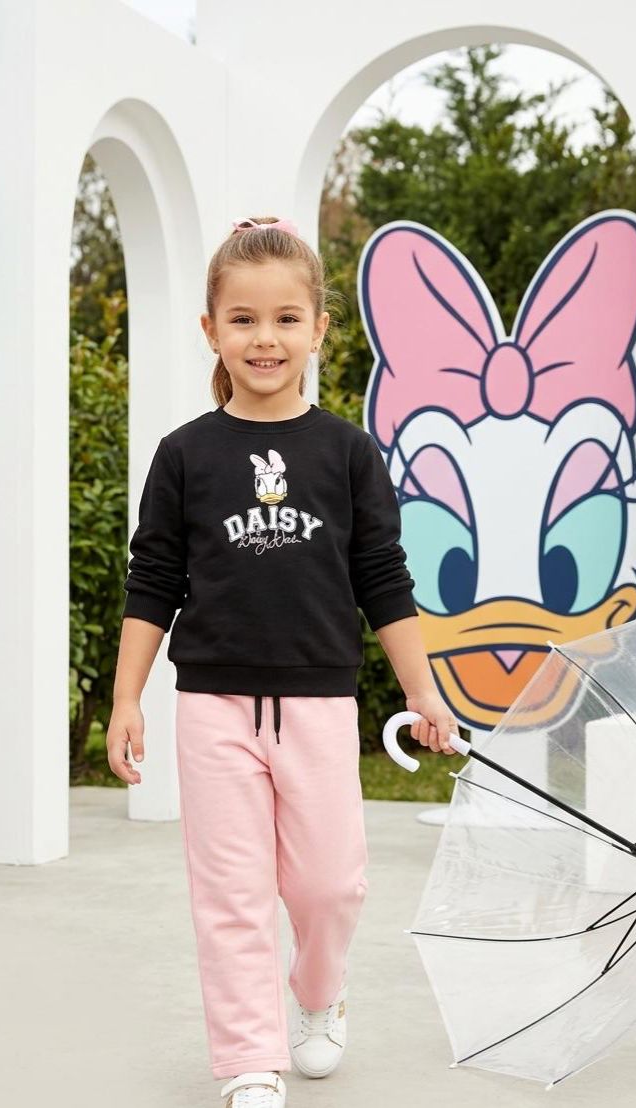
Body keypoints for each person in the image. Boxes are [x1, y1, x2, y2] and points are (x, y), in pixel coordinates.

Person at [107, 216, 459, 1107]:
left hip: (318, 704)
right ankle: (249, 1060)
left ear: (319, 328)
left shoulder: (347, 452)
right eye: (244, 319)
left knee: (329, 885)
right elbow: (153, 581)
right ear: (211, 330)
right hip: (214, 707)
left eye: (286, 319)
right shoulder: (185, 455)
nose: (265, 338)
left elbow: (383, 579)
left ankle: (318, 991)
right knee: (231, 892)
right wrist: (126, 699)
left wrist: (423, 692)